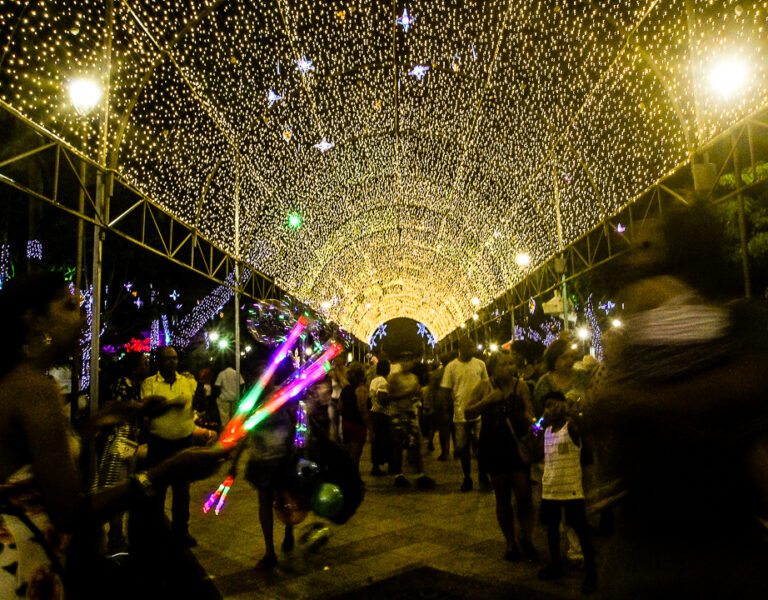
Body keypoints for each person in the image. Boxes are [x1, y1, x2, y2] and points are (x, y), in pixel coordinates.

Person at [0, 273, 228, 599]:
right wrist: (166, 471)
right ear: (35, 321)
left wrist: (102, 420)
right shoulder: (33, 389)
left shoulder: (23, 381)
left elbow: (37, 461)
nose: (81, 316)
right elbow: (69, 514)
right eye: (68, 306)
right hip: (23, 567)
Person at [465, 351, 537, 562]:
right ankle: (510, 542)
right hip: (494, 446)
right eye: (503, 364)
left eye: (511, 363)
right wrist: (487, 400)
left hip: (516, 447)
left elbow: (529, 410)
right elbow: (467, 412)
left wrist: (532, 422)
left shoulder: (520, 386)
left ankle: (527, 537)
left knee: (524, 495)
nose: (508, 368)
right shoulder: (484, 386)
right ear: (494, 368)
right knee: (502, 496)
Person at [538, 391, 597, 594]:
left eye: (555, 404)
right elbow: (539, 451)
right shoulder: (546, 430)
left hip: (571, 489)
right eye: (547, 405)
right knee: (552, 530)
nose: (550, 409)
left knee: (581, 530)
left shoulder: (570, 427)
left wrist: (576, 415)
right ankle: (555, 564)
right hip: (551, 488)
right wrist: (536, 426)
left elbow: (587, 435)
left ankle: (592, 573)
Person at [141, 346, 199, 546]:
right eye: (168, 359)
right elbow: (147, 411)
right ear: (159, 362)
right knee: (158, 490)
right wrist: (172, 404)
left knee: (182, 489)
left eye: (175, 358)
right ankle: (157, 532)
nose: (172, 362)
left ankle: (181, 531)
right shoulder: (149, 384)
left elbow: (194, 405)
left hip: (183, 442)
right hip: (160, 444)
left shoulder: (188, 381)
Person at [95, 351, 150, 554]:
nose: (147, 365)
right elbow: (122, 412)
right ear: (135, 367)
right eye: (144, 362)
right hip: (120, 441)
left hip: (128, 440)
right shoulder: (124, 384)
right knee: (118, 485)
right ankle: (115, 539)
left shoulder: (133, 384)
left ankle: (117, 536)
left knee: (123, 484)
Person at [440, 338, 489, 491]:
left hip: (479, 413)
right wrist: (446, 412)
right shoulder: (451, 367)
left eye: (472, 346)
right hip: (460, 414)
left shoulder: (480, 364)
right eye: (468, 346)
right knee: (463, 448)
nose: (471, 349)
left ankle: (482, 475)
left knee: (482, 446)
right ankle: (467, 477)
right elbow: (446, 391)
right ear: (460, 348)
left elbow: (486, 385)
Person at [386, 354, 435, 489]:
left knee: (416, 444)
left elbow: (417, 394)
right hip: (397, 414)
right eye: (404, 360)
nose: (407, 363)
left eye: (409, 360)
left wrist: (418, 397)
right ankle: (399, 475)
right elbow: (387, 397)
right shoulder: (394, 378)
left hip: (411, 413)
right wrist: (407, 393)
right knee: (398, 445)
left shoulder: (414, 378)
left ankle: (420, 475)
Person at [339, 362, 373, 473]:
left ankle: (349, 476)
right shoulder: (361, 389)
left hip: (346, 423)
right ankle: (353, 477)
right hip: (357, 425)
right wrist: (370, 429)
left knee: (348, 452)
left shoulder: (345, 389)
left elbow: (339, 407)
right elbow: (362, 409)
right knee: (356, 454)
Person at [368, 359, 392, 476]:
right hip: (382, 414)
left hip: (374, 413)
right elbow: (382, 398)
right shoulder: (383, 381)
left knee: (376, 442)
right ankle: (381, 464)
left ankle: (375, 465)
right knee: (383, 440)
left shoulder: (374, 380)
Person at [328, 355, 347, 442]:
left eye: (339, 357)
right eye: (335, 358)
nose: (336, 359)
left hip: (342, 401)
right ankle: (335, 442)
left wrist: (338, 374)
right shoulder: (332, 371)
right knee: (333, 424)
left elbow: (345, 385)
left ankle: (342, 442)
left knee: (341, 426)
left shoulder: (346, 371)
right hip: (333, 400)